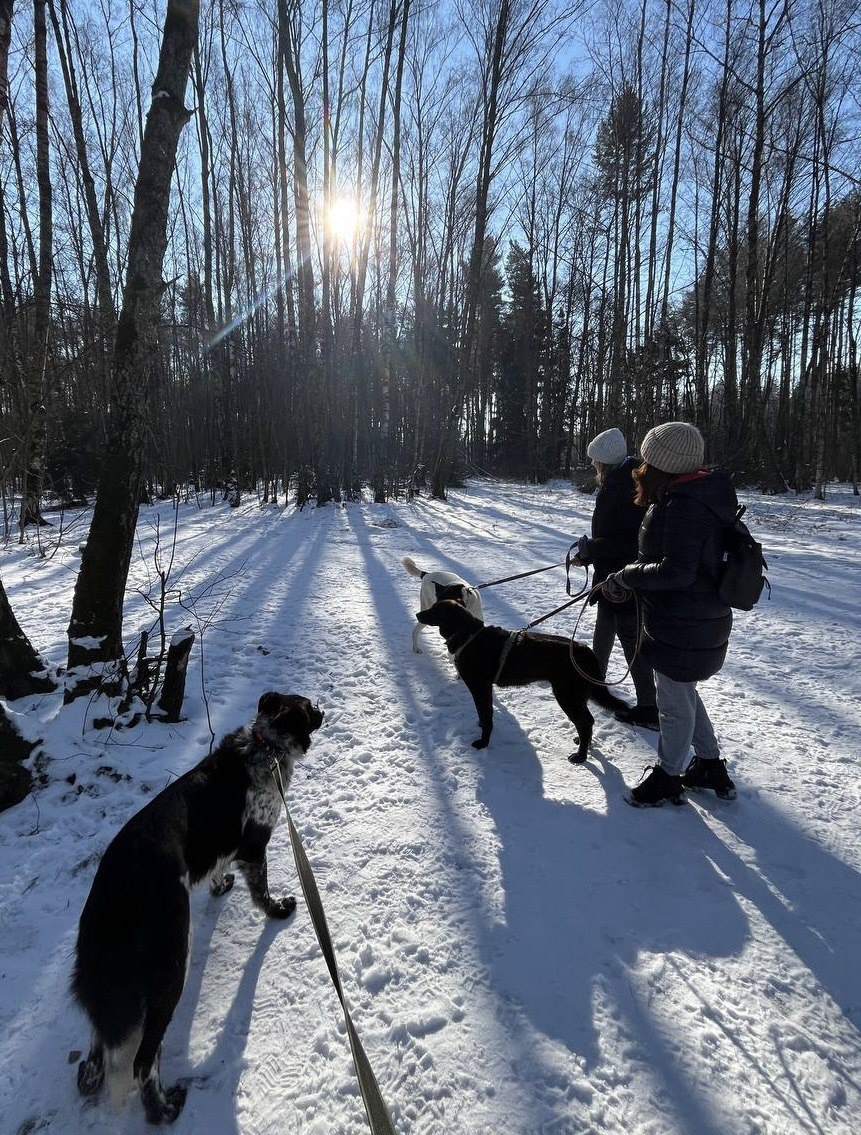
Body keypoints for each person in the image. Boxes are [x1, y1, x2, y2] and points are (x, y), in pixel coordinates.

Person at [600, 421, 738, 807]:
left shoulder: (685, 506)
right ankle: (710, 765)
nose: (641, 466)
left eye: (647, 459)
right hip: (691, 619)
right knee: (683, 692)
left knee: (674, 703)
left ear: (661, 464)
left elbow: (677, 571)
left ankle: (667, 777)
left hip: (685, 623)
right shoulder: (694, 496)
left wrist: (627, 576)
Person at [573, 427, 658, 728]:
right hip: (611, 578)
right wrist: (590, 553)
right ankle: (594, 686)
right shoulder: (623, 483)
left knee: (632, 642)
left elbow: (630, 542)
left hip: (624, 580)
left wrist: (594, 548)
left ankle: (650, 707)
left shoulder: (622, 488)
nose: (593, 467)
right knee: (604, 633)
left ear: (603, 462)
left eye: (594, 462)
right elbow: (614, 536)